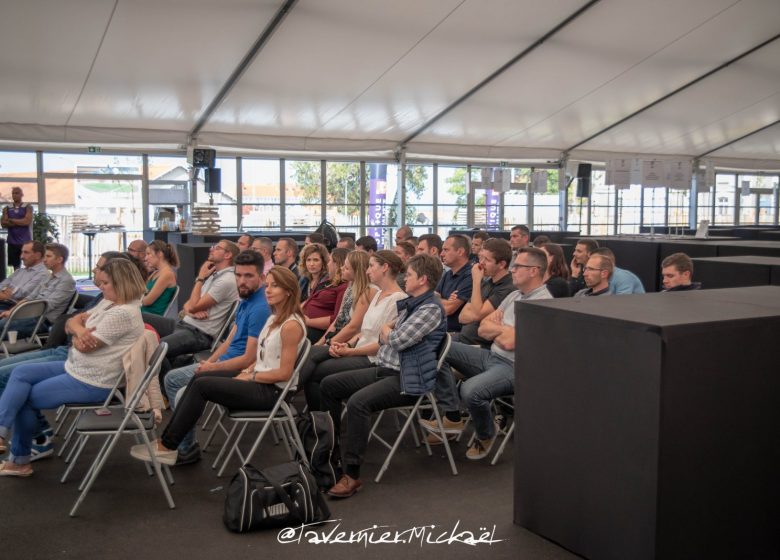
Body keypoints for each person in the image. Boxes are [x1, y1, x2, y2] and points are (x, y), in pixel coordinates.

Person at [130, 266, 306, 467]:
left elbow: (285, 373)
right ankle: (171, 444)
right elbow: (263, 356)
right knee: (199, 377)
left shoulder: (291, 325)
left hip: (272, 392)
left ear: (289, 291)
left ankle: (168, 445)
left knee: (202, 386)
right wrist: (248, 371)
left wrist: (251, 376)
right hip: (260, 382)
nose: (268, 290)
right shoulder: (274, 318)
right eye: (268, 285)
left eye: (275, 287)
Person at [0, 258, 147, 476]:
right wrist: (80, 330)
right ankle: (2, 434)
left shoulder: (123, 313)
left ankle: (20, 461)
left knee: (24, 397)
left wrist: (78, 332)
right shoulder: (109, 302)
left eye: (106, 283)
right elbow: (71, 322)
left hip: (94, 380)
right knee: (20, 373)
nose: (100, 286)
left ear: (121, 283)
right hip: (76, 367)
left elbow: (84, 347)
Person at [321, 254, 445, 497]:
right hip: (387, 370)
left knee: (358, 402)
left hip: (408, 379)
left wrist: (388, 329)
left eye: (408, 275)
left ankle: (352, 474)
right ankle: (328, 452)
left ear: (423, 279)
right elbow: (383, 337)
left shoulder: (429, 308)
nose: (404, 278)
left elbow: (396, 339)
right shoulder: (413, 302)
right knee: (328, 385)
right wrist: (388, 331)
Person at [421, 247, 552, 460]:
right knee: (436, 344)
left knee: (471, 391)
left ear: (534, 271)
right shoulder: (514, 295)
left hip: (514, 367)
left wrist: (498, 330)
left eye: (518, 266)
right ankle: (453, 414)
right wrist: (503, 330)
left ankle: (485, 433)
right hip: (491, 356)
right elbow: (482, 327)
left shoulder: (542, 304)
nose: (513, 270)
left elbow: (510, 343)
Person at [162, 250, 271, 465]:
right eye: (238, 275)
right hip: (225, 362)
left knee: (175, 382)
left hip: (238, 369)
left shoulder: (260, 307)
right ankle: (185, 446)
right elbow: (230, 341)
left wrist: (213, 368)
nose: (242, 281)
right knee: (174, 378)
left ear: (262, 277)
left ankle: (185, 448)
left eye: (248, 276)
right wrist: (211, 362)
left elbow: (248, 358)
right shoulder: (246, 300)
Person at [301, 250, 406, 411]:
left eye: (371, 266)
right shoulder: (378, 294)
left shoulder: (398, 299)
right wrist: (347, 346)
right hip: (359, 350)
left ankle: (320, 424)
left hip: (372, 358)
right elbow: (363, 331)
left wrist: (349, 351)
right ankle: (318, 421)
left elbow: (383, 343)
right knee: (311, 357)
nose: (367, 270)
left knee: (315, 371)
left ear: (385, 268)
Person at [144, 240, 239, 381]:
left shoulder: (226, 280)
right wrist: (191, 311)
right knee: (139, 316)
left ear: (228, 255)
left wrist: (200, 278)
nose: (211, 249)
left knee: (153, 348)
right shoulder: (215, 275)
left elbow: (193, 305)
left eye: (216, 248)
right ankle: (171, 372)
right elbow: (188, 305)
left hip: (198, 333)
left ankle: (166, 390)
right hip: (184, 323)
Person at [0, 243, 75, 338]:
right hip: (30, 315)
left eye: (48, 256)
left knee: (2, 325)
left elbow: (46, 306)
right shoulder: (48, 276)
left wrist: (15, 313)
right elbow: (29, 297)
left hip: (42, 321)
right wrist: (12, 311)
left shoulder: (66, 281)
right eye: (44, 256)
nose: (44, 260)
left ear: (59, 260)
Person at [457, 238, 515, 347]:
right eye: (480, 258)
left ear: (502, 264)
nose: (481, 264)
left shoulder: (507, 287)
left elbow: (476, 313)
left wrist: (476, 281)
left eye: (487, 260)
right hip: (463, 338)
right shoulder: (488, 282)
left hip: (478, 345)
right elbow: (462, 316)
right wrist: (476, 313)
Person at [315, 250, 375, 347]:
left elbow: (353, 328)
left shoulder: (368, 291)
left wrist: (328, 344)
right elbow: (338, 319)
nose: (341, 268)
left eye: (346, 268)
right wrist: (320, 343)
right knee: (311, 350)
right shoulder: (351, 285)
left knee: (311, 356)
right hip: (339, 335)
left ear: (357, 272)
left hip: (350, 341)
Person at [302, 245, 348, 343]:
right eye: (308, 260)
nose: (328, 264)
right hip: (306, 323)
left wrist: (307, 321)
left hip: (317, 330)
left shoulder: (343, 286)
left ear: (338, 264)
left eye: (330, 261)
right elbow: (309, 301)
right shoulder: (328, 282)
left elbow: (337, 320)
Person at [436, 235, 473, 332]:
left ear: (460, 251)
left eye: (446, 250)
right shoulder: (448, 274)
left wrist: (439, 299)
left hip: (454, 333)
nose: (442, 254)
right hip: (440, 329)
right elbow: (432, 297)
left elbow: (448, 309)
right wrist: (446, 301)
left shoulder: (471, 275)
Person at [0, 241, 49, 310]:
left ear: (38, 255)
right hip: (5, 303)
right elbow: (2, 285)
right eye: (22, 252)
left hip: (17, 309)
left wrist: (7, 292)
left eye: (26, 252)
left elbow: (22, 294)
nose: (21, 256)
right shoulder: (19, 271)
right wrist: (6, 291)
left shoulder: (42, 274)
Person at [141, 240, 178, 315]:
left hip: (151, 316)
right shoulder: (155, 273)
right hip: (143, 313)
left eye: (148, 254)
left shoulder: (167, 274)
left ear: (160, 254)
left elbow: (148, 301)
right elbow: (142, 291)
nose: (145, 258)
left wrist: (134, 300)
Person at [1, 186, 33, 270]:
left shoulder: (27, 207)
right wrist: (20, 221)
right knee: (16, 266)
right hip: (12, 241)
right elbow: (3, 223)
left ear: (22, 194)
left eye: (17, 193)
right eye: (13, 193)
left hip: (25, 241)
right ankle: (17, 282)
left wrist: (11, 220)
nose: (14, 195)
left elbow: (27, 222)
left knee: (29, 264)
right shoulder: (7, 208)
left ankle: (29, 281)